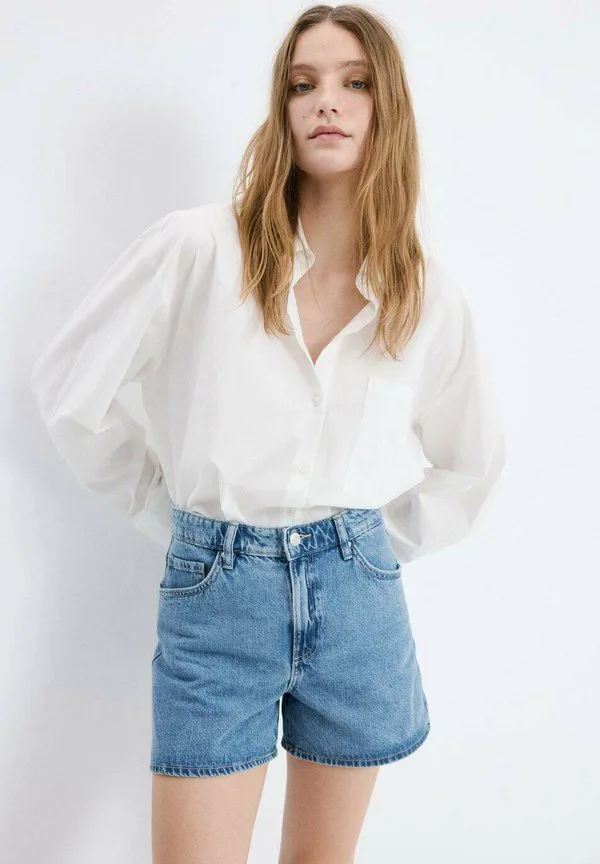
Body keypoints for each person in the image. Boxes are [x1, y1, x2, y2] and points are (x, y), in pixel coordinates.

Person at [29, 5, 506, 863]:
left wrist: (367, 547)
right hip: (217, 600)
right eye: (303, 83)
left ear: (387, 107)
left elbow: (471, 463)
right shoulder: (198, 248)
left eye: (355, 82)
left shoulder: (425, 292)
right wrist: (174, 519)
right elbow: (70, 388)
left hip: (359, 611)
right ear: (282, 108)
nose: (327, 101)